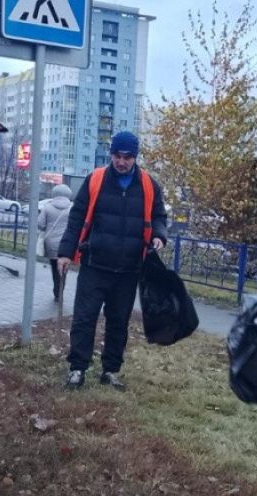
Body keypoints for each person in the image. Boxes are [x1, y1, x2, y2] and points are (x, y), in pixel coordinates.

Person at [57, 131, 168, 390]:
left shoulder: (149, 185)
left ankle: (110, 370)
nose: (121, 162)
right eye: (117, 156)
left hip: (129, 269)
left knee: (118, 322)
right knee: (84, 318)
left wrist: (160, 236)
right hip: (94, 264)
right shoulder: (95, 180)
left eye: (127, 157)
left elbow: (160, 216)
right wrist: (65, 253)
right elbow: (76, 218)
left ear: (135, 157)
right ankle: (77, 368)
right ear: (111, 155)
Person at [37, 183, 74, 302]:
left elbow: (41, 224)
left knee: (54, 266)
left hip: (51, 242)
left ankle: (56, 290)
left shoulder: (47, 207)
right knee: (64, 267)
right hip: (66, 243)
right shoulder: (72, 207)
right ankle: (60, 290)